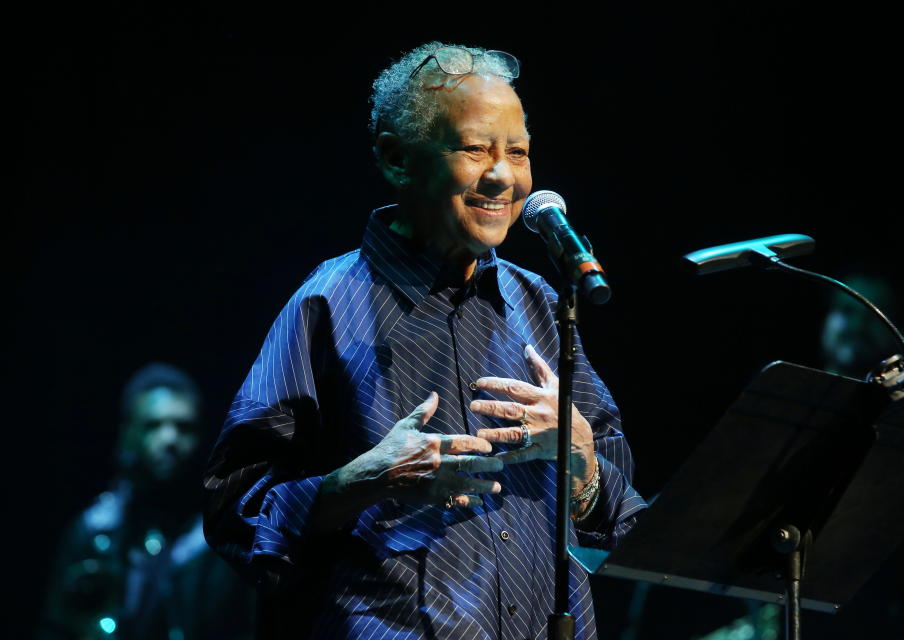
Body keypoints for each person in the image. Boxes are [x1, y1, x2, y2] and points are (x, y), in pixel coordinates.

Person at [203, 42, 646, 639]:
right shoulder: (328, 305)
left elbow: (621, 515)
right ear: (396, 159)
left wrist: (584, 466)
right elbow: (236, 512)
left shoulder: (539, 301)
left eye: (518, 152)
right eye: (475, 149)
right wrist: (365, 479)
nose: (502, 174)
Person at [42, 363, 255, 640]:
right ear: (127, 432)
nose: (169, 438)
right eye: (152, 425)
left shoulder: (225, 536)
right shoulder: (92, 532)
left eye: (184, 427)